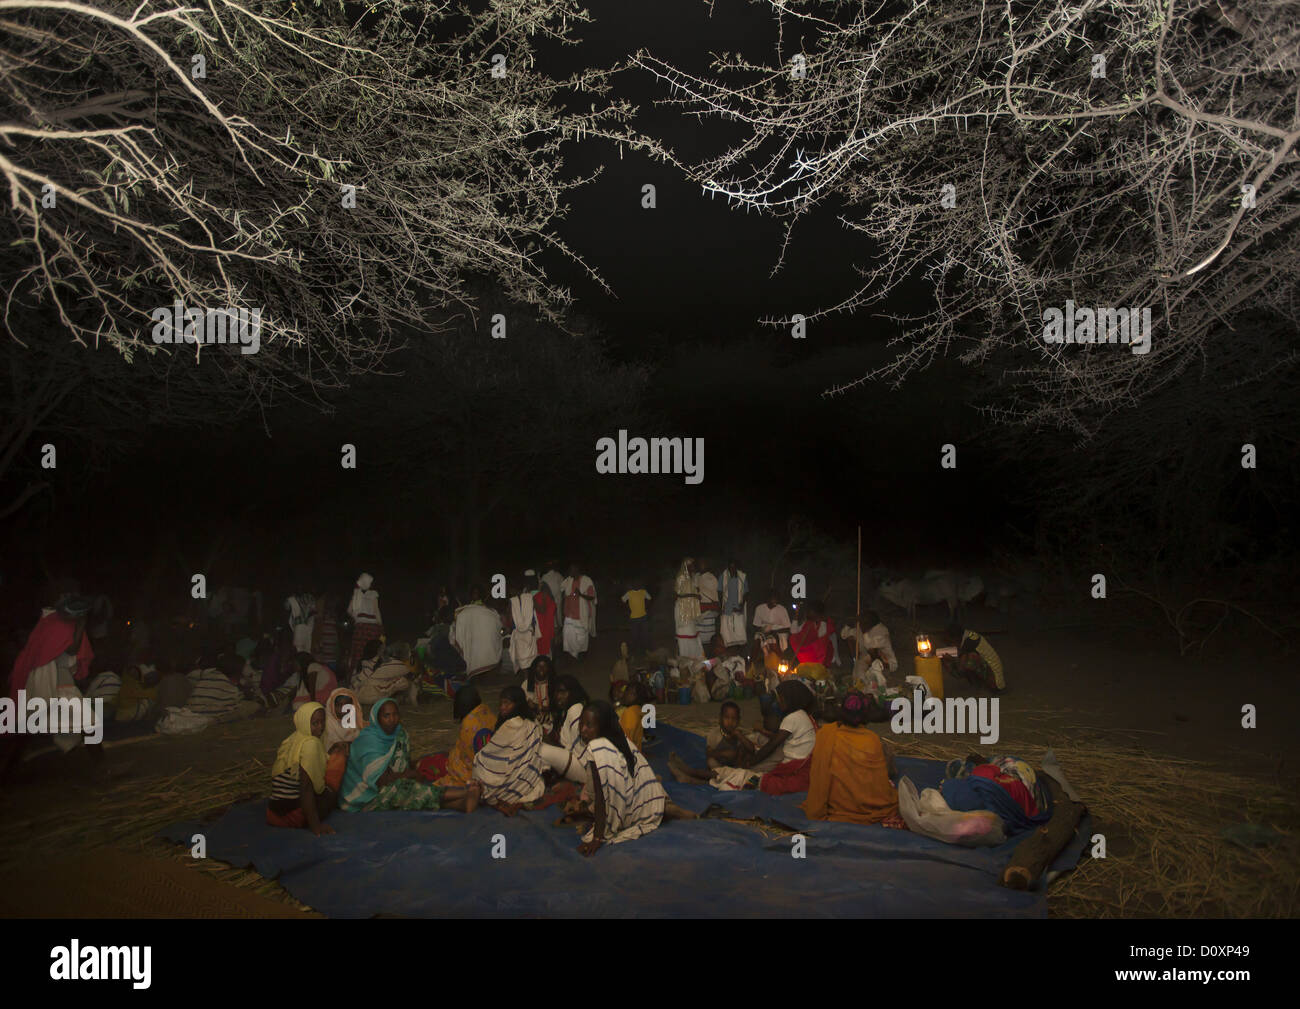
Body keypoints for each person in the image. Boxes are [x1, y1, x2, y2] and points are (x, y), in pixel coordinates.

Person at [669, 679, 817, 795]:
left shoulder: (794, 717)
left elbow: (772, 746)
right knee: (740, 773)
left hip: (791, 774)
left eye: (781, 699)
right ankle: (691, 775)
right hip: (792, 770)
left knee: (742, 776)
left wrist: (752, 762)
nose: (778, 702)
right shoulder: (804, 716)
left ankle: (691, 776)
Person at [3, 597, 98, 773]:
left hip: (52, 681)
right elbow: (72, 649)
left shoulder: (50, 623)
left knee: (28, 729)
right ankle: (103, 769)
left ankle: (6, 774)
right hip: (55, 682)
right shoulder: (61, 625)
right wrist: (81, 625)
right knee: (89, 724)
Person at [340, 698, 479, 812]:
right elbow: (380, 781)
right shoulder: (367, 741)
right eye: (386, 716)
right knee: (404, 790)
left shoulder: (400, 734)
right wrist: (409, 775)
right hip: (365, 798)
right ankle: (465, 793)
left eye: (395, 714)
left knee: (412, 794)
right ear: (377, 718)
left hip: (391, 786)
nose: (392, 719)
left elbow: (403, 763)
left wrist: (412, 771)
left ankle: (461, 805)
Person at [570, 700, 668, 855]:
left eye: (589, 725)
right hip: (643, 801)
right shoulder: (620, 739)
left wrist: (597, 838)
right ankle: (666, 806)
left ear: (602, 727)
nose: (583, 730)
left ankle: (668, 808)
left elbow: (601, 799)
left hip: (629, 810)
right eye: (581, 724)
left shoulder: (597, 748)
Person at [801, 690, 901, 824]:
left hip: (836, 803)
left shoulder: (825, 734)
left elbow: (818, 775)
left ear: (842, 712)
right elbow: (878, 785)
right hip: (869, 805)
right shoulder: (872, 740)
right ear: (866, 715)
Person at [266, 702, 340, 833]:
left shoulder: (293, 739)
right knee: (338, 764)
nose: (320, 727)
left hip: (273, 814)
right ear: (304, 722)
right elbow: (306, 788)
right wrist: (316, 826)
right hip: (293, 817)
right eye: (315, 723)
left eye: (322, 722)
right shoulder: (311, 744)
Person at [472, 685, 545, 814]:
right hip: (522, 784)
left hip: (507, 780)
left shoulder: (513, 725)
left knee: (479, 762)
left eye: (507, 703)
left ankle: (498, 796)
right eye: (501, 703)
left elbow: (489, 754)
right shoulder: (531, 723)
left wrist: (479, 759)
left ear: (518, 704)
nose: (502, 707)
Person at [422, 683, 497, 787]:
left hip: (470, 774)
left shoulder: (468, 725)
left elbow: (466, 757)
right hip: (492, 767)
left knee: (425, 768)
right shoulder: (486, 711)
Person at [540, 675, 590, 783]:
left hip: (585, 769)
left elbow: (583, 750)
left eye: (563, 692)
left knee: (541, 750)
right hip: (573, 761)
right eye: (556, 692)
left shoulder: (575, 710)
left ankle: (550, 776)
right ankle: (549, 775)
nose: (558, 696)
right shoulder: (565, 711)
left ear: (573, 692)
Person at [187, 655, 262, 722]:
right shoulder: (228, 686)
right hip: (210, 717)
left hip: (193, 712)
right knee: (253, 706)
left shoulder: (209, 676)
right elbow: (237, 701)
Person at [450, 587, 503, 677]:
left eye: (476, 593)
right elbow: (499, 629)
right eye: (474, 593)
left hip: (474, 647)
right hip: (482, 648)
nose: (475, 594)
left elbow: (453, 634)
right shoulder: (490, 612)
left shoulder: (462, 612)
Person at [840, 609, 899, 685]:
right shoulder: (861, 628)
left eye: (864, 620)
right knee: (859, 671)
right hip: (867, 659)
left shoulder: (882, 630)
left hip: (885, 661)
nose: (861, 623)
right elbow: (844, 635)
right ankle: (861, 683)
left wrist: (864, 631)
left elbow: (870, 647)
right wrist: (849, 624)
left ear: (871, 622)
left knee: (872, 654)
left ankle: (876, 679)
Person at [323, 687, 365, 787]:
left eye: (347, 705)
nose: (343, 709)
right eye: (338, 705)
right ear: (331, 706)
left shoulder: (355, 723)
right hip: (332, 768)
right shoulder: (327, 725)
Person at [355, 641, 418, 708]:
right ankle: (409, 702)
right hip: (371, 697)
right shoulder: (394, 663)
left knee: (387, 680)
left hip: (357, 695)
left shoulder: (364, 662)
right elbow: (409, 671)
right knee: (404, 681)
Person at [347, 572, 383, 674]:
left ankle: (356, 674)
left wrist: (357, 617)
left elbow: (349, 610)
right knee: (371, 653)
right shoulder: (373, 594)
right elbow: (376, 612)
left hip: (360, 628)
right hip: (372, 628)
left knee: (358, 653)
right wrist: (381, 625)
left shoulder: (356, 594)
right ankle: (370, 673)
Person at [560, 565, 597, 659]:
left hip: (582, 614)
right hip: (569, 614)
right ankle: (572, 654)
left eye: (571, 570)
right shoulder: (568, 580)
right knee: (568, 636)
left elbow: (592, 597)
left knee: (582, 638)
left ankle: (582, 653)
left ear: (577, 570)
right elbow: (562, 590)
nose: (570, 572)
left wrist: (580, 594)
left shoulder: (586, 581)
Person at [673, 557, 702, 658]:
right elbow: (676, 595)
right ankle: (684, 656)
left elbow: (696, 591)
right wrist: (693, 595)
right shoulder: (681, 578)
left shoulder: (694, 578)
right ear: (686, 566)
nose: (693, 567)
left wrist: (696, 593)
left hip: (692, 610)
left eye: (693, 565)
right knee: (684, 632)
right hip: (683, 610)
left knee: (693, 632)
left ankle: (694, 656)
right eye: (691, 565)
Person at [522, 653, 556, 735]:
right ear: (534, 668)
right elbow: (524, 704)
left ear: (549, 668)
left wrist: (538, 706)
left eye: (544, 666)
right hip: (534, 717)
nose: (541, 669)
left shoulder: (554, 683)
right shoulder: (526, 684)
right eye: (539, 666)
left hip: (551, 716)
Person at [508, 581, 538, 674]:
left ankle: (527, 680)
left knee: (524, 659)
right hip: (526, 632)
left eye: (512, 590)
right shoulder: (529, 598)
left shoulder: (513, 601)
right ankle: (528, 680)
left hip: (523, 633)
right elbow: (534, 613)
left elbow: (510, 617)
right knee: (527, 658)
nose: (511, 592)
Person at [719, 560, 749, 648]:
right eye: (730, 567)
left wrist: (741, 606)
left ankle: (740, 649)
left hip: (738, 606)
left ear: (737, 567)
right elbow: (720, 592)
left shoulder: (742, 577)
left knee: (740, 630)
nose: (732, 569)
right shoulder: (723, 576)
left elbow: (746, 593)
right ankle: (728, 649)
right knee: (726, 631)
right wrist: (721, 606)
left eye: (734, 567)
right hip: (727, 607)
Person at [620, 578, 652, 655]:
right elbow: (622, 600)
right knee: (634, 635)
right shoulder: (629, 593)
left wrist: (646, 607)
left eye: (638, 583)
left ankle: (644, 650)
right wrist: (628, 609)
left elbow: (650, 599)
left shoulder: (643, 592)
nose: (637, 585)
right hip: (634, 617)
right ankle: (634, 651)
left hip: (643, 616)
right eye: (635, 583)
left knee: (645, 634)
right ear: (632, 585)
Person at [529, 571, 557, 659]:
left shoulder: (541, 594)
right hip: (539, 631)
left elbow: (543, 610)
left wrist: (532, 599)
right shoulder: (532, 594)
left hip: (544, 630)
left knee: (544, 655)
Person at [311, 593, 340, 668]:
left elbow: (336, 632)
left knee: (330, 668)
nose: (332, 606)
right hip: (323, 645)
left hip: (331, 646)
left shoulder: (334, 616)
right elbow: (316, 631)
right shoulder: (320, 616)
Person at [695, 561, 720, 647]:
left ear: (707, 566)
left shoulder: (712, 578)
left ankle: (709, 653)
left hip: (709, 609)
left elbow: (715, 594)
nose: (701, 566)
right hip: (699, 609)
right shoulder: (696, 577)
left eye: (703, 564)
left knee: (709, 635)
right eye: (700, 565)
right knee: (699, 635)